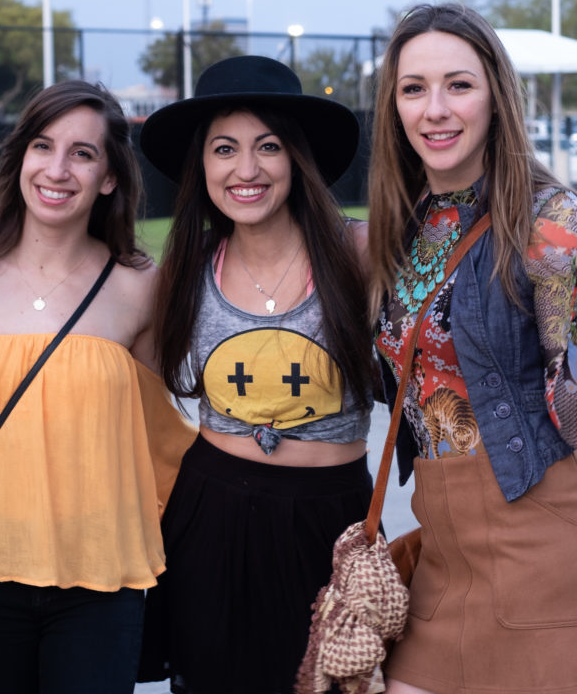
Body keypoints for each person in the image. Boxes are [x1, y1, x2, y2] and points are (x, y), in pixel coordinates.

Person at [366, 3, 577, 694]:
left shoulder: (548, 218)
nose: (435, 108)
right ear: (393, 106)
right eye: (414, 88)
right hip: (443, 554)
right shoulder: (404, 226)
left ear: (495, 97)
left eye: (459, 84)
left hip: (539, 548)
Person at [0, 80, 192, 694]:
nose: (58, 169)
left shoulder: (139, 286)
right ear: (20, 157)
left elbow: (157, 432)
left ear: (108, 177)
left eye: (83, 153)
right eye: (43, 146)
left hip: (100, 581)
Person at [137, 55, 379, 693]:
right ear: (203, 166)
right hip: (211, 516)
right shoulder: (184, 273)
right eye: (225, 149)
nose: (246, 170)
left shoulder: (361, 252)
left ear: (296, 158)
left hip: (332, 521)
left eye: (267, 147)